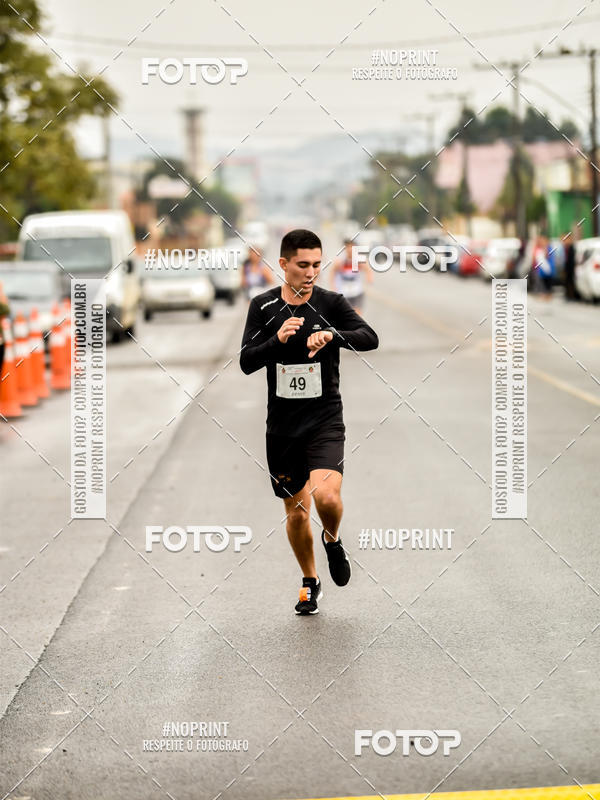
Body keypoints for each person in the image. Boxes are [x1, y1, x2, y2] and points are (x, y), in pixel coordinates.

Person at [239, 229, 379, 615]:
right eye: (303, 265)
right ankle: (309, 582)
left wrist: (332, 336)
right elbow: (246, 361)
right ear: (283, 264)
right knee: (296, 513)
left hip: (324, 419)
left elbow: (369, 338)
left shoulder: (332, 302)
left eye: (317, 264)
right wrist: (277, 342)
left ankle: (332, 540)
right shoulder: (263, 307)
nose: (311, 272)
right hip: (282, 428)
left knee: (327, 497)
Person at [330, 239, 373, 313]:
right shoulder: (340, 261)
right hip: (343, 292)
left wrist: (369, 278)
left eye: (352, 247)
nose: (350, 249)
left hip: (357, 291)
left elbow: (368, 270)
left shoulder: (359, 260)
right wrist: (333, 286)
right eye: (348, 247)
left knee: (357, 316)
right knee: (344, 315)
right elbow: (332, 272)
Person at [563, 232, 577, 301]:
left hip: (571, 269)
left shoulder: (572, 247)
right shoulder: (565, 247)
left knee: (571, 281)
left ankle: (571, 295)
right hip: (567, 269)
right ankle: (568, 295)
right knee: (567, 281)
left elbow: (572, 260)